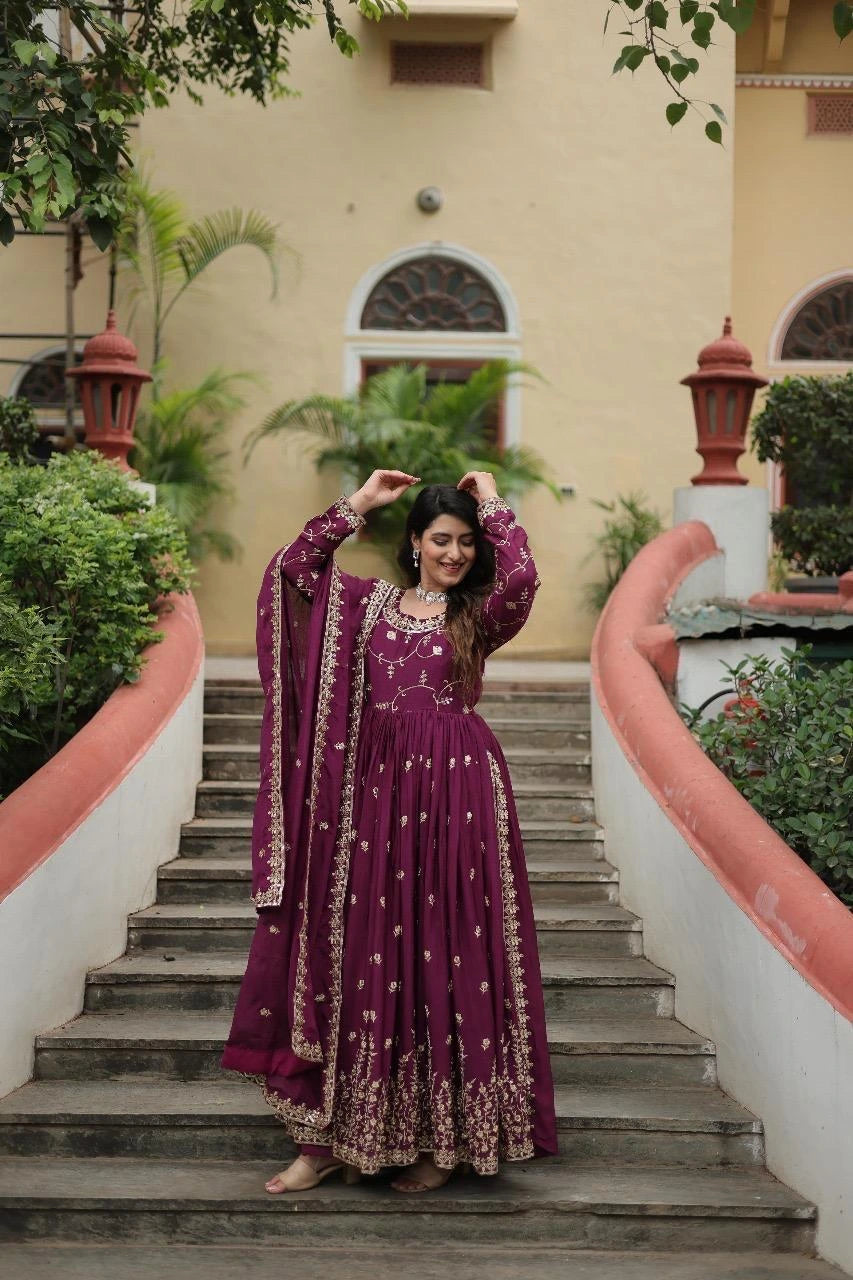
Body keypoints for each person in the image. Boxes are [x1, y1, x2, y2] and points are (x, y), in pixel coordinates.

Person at [221, 468, 558, 1193]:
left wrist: (492, 497)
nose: (455, 553)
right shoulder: (362, 607)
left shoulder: (478, 613)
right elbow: (294, 569)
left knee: (446, 952)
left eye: (466, 541)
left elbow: (523, 576)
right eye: (441, 538)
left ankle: (442, 1142)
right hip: (369, 800)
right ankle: (326, 1142)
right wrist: (359, 505)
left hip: (458, 797)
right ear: (413, 542)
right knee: (359, 956)